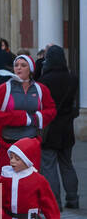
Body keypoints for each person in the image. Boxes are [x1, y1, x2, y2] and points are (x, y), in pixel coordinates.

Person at [0, 53, 56, 162]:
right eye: (16, 65)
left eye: (23, 65)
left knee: (29, 178)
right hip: (8, 143)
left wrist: (37, 118)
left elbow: (52, 110)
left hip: (31, 142)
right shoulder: (3, 89)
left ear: (30, 69)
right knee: (8, 178)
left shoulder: (41, 89)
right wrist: (18, 118)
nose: (19, 68)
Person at [38, 45, 80, 209]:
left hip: (50, 127)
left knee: (48, 164)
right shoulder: (72, 78)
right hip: (67, 127)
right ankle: (73, 198)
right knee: (67, 163)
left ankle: (55, 201)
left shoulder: (44, 81)